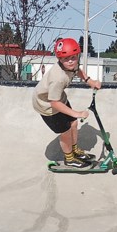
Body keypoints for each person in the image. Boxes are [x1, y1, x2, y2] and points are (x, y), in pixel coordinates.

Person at [32, 37, 102, 168]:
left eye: (73, 58)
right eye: (65, 59)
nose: (70, 61)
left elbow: (78, 70)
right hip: (46, 105)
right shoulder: (58, 78)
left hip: (58, 98)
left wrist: (89, 81)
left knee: (73, 123)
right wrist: (77, 113)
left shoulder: (71, 66)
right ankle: (69, 158)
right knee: (65, 131)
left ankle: (74, 150)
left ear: (78, 56)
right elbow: (54, 103)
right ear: (59, 59)